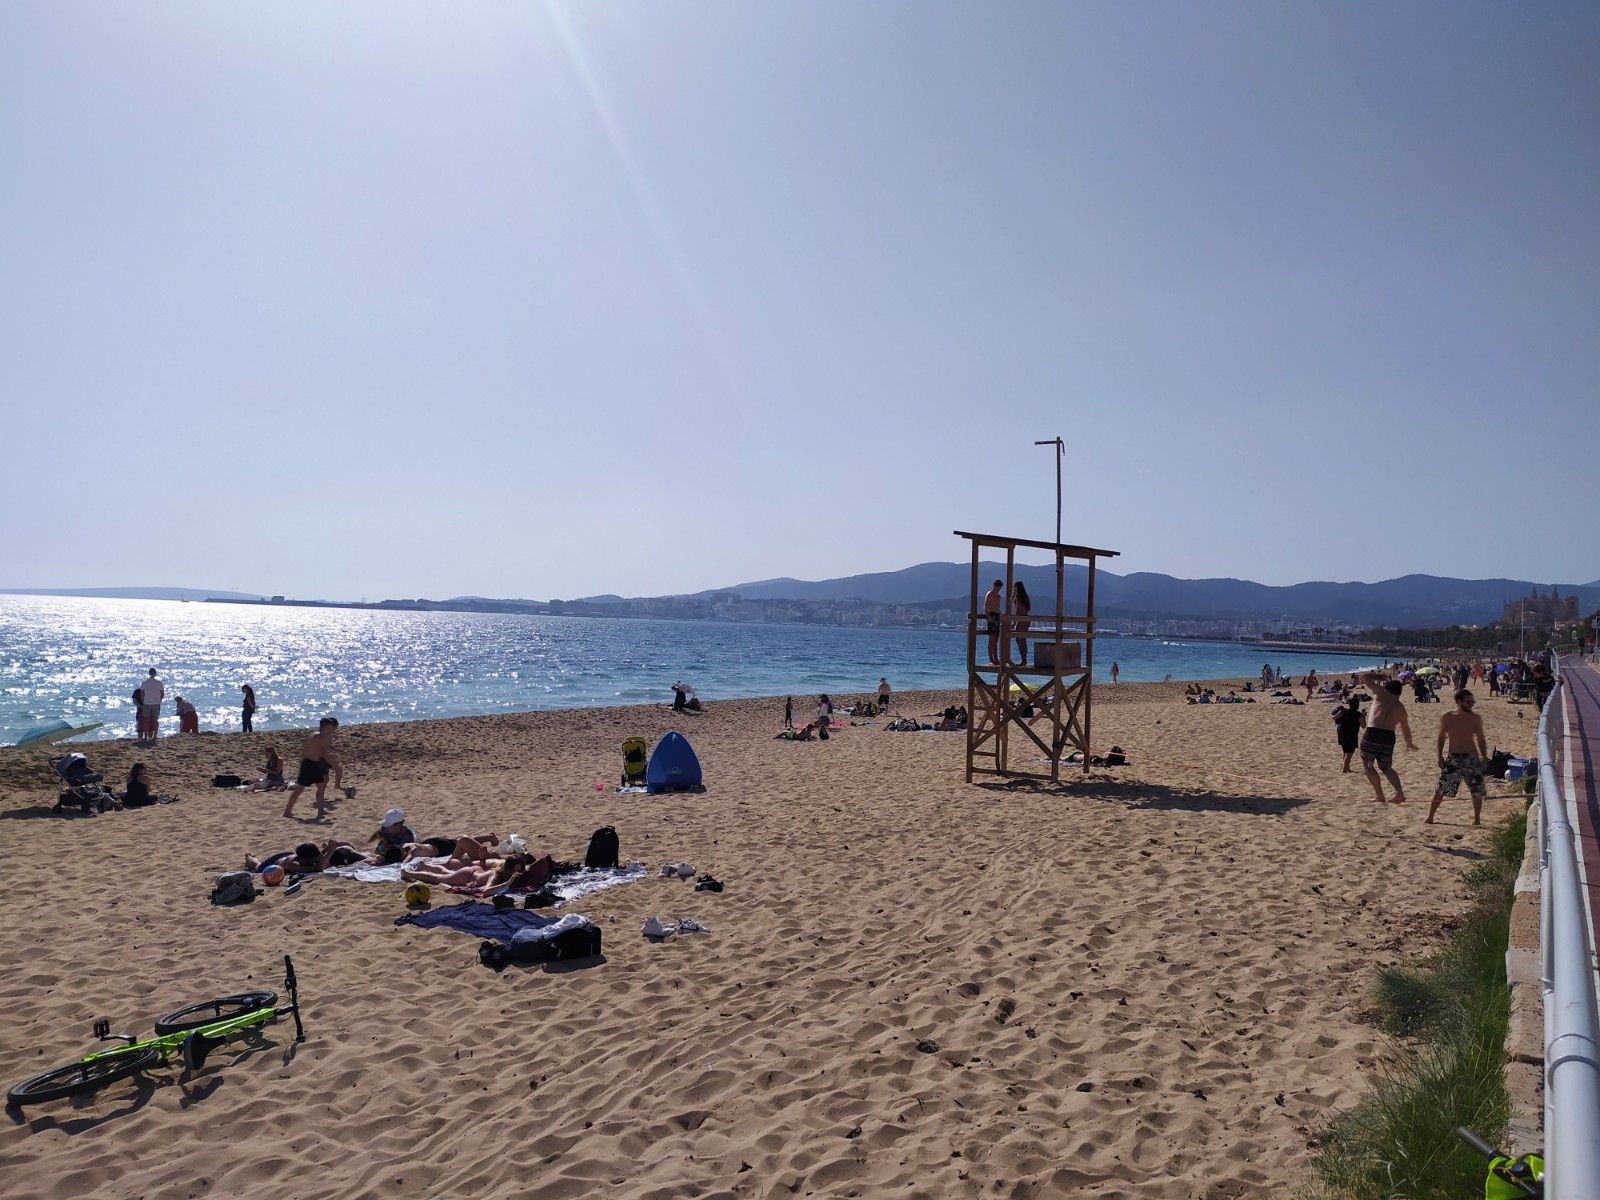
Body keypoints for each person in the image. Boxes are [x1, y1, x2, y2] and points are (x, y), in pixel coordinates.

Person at [1427, 690, 1490, 825]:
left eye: (1472, 701)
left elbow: (1481, 739)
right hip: (1453, 758)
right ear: (1458, 702)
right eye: (1468, 702)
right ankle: (1430, 816)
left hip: (1471, 757)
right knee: (1442, 789)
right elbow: (1441, 737)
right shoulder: (1448, 717)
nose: (1471, 704)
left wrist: (1484, 756)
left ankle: (1477, 819)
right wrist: (1439, 756)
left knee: (1476, 789)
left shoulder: (1475, 718)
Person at [1359, 673, 1417, 804]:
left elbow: (1364, 677)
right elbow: (1405, 728)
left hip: (1373, 734)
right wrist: (1409, 743)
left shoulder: (1381, 693)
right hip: (1388, 737)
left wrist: (1380, 676)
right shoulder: (1401, 708)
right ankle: (1400, 794)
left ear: (1386, 688)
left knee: (1368, 765)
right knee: (1386, 768)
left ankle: (1380, 795)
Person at [284, 716, 343, 819]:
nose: (332, 730)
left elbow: (323, 751)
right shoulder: (316, 737)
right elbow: (323, 754)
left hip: (315, 764)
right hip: (308, 764)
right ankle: (287, 811)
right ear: (325, 727)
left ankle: (320, 812)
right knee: (299, 789)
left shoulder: (325, 737)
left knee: (321, 786)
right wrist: (334, 766)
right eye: (330, 728)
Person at [1334, 696, 1364, 774]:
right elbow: (1363, 726)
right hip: (1352, 735)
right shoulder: (1358, 714)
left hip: (1342, 734)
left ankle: (1347, 768)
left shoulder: (1344, 711)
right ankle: (1344, 770)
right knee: (1349, 754)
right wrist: (1364, 716)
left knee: (1345, 752)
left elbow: (1334, 717)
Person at [138, 668, 164, 745]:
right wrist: (159, 700)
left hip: (147, 703)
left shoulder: (145, 683)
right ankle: (154, 736)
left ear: (149, 674)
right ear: (155, 674)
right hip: (156, 703)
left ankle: (146, 737)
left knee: (146, 721)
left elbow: (141, 694)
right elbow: (162, 694)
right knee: (155, 720)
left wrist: (143, 701)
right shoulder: (159, 683)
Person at [1011, 581, 1032, 666]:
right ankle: (1024, 659)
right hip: (1026, 619)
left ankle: (1024, 660)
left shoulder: (1018, 597)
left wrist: (1014, 622)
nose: (1013, 588)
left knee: (1020, 640)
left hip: (1021, 619)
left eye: (1014, 587)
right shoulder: (1025, 597)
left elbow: (1018, 611)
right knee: (1022, 640)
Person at [984, 579, 1004, 665]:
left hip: (997, 616)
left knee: (996, 639)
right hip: (991, 615)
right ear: (993, 585)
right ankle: (990, 659)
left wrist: (1000, 615)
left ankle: (996, 658)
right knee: (991, 639)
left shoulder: (999, 596)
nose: (997, 589)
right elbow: (985, 607)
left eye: (999, 587)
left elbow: (998, 607)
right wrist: (989, 617)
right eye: (996, 586)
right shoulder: (989, 594)